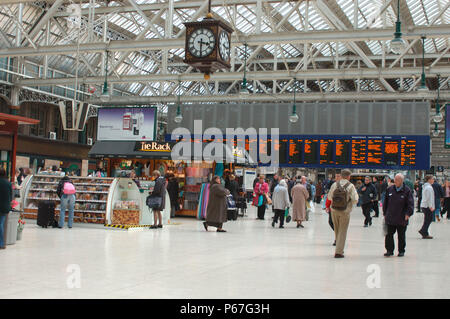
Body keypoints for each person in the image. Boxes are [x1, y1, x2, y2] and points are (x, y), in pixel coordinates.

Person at [327, 169, 359, 258]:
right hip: (345, 211)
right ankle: (339, 252)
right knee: (343, 231)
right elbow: (355, 199)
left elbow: (329, 197)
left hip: (334, 210)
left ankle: (339, 248)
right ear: (349, 176)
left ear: (341, 175)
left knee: (337, 230)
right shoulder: (351, 186)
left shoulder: (335, 184)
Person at [382, 173, 414, 257]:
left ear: (401, 181)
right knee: (389, 234)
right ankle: (389, 250)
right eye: (395, 179)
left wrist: (408, 214)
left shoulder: (407, 190)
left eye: (397, 180)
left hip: (402, 217)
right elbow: (385, 202)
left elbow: (410, 204)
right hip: (390, 217)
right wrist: (385, 213)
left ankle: (401, 251)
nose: (395, 181)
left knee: (401, 235)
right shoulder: (390, 189)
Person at [0, 168, 12, 249]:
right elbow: (10, 196)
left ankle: (1, 243)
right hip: (5, 207)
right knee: (1, 224)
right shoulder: (8, 183)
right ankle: (2, 243)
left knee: (0, 225)